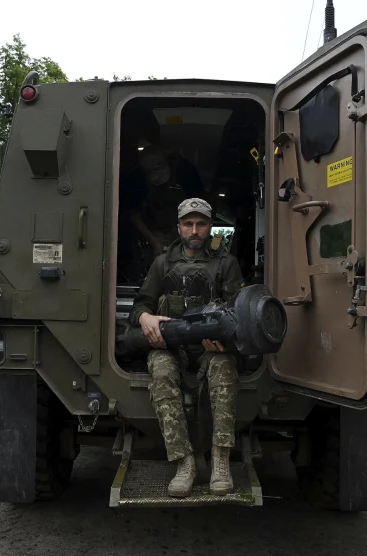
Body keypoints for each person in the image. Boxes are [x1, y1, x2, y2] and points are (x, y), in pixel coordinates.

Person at [128, 198, 245, 498]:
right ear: (179, 227)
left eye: (201, 224)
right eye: (188, 224)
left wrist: (223, 341)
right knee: (161, 368)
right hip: (170, 345)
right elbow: (141, 303)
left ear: (209, 227)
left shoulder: (226, 264)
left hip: (210, 349)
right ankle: (184, 463)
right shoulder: (162, 263)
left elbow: (239, 312)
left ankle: (220, 461)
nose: (194, 231)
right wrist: (146, 318)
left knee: (224, 367)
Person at [125, 146, 208, 258]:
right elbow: (133, 215)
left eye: (160, 167)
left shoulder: (185, 171)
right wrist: (154, 242)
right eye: (151, 172)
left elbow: (201, 208)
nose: (158, 173)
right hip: (154, 231)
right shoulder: (136, 181)